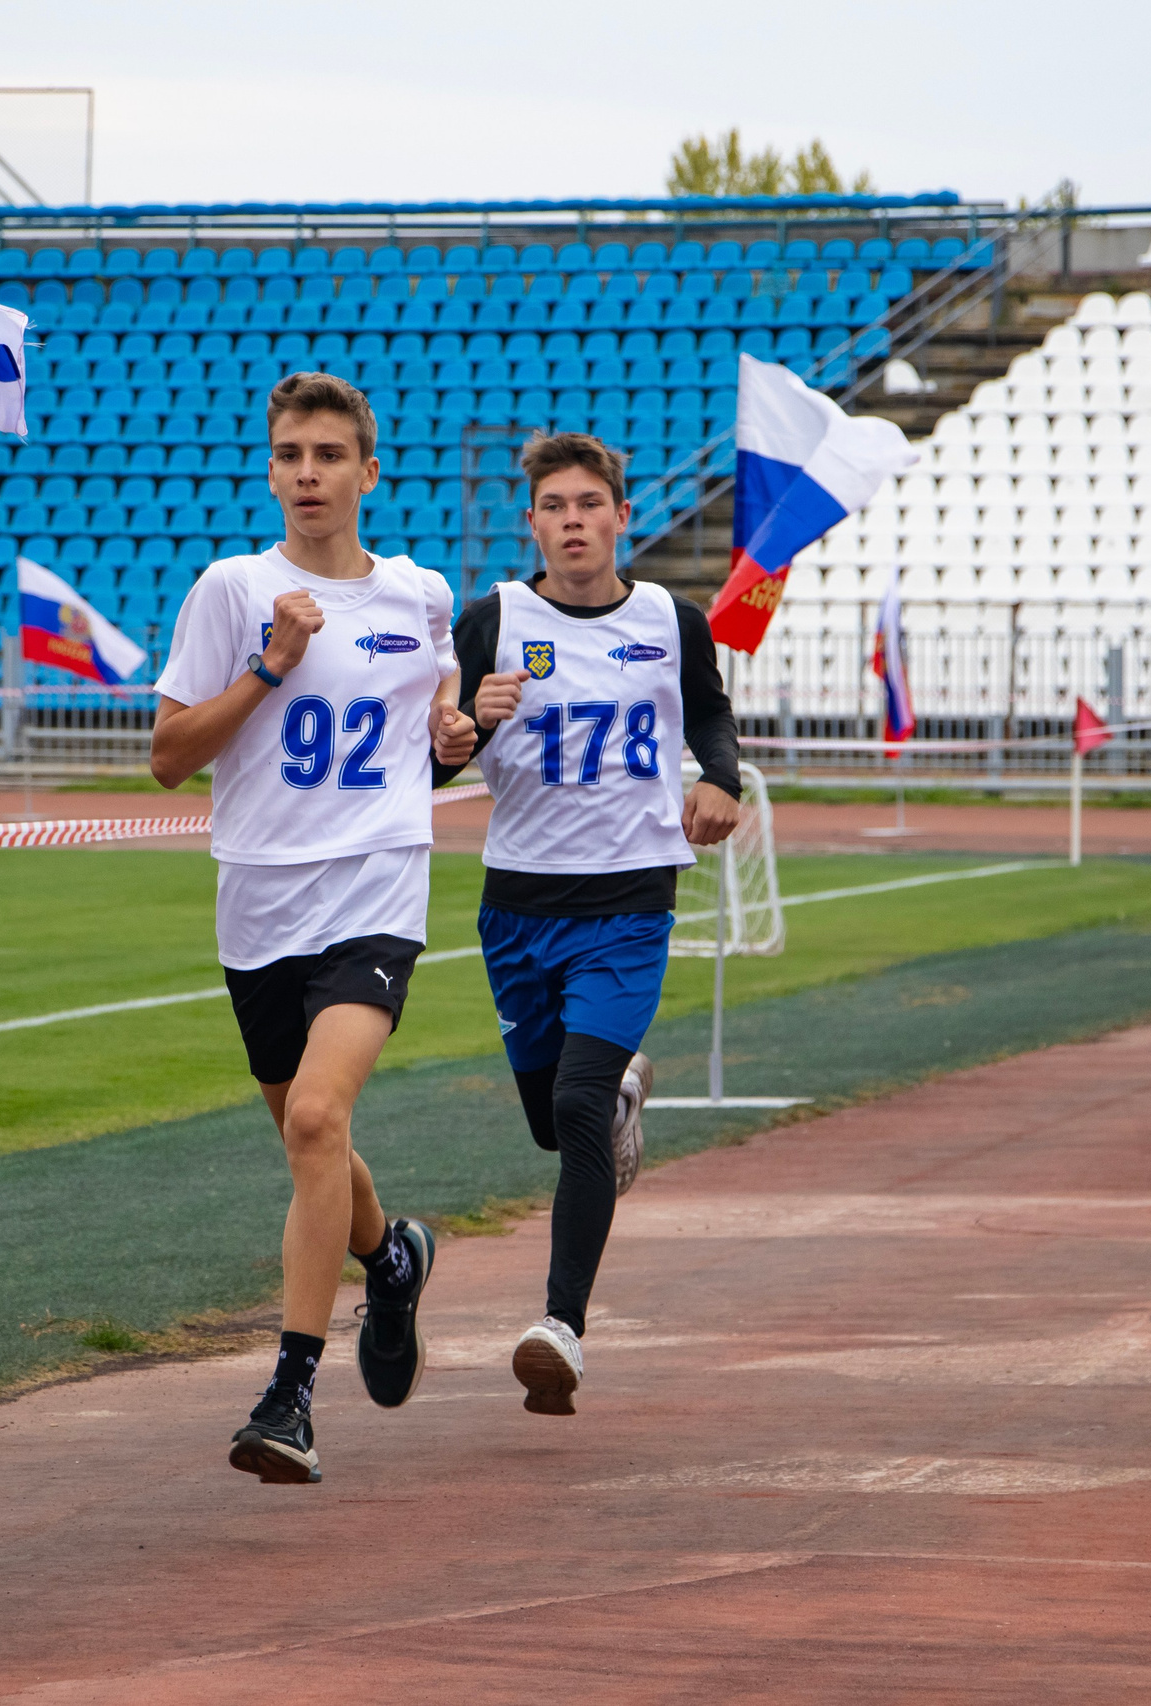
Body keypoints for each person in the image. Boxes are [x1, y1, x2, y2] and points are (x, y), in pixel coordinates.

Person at [151, 372, 479, 1484]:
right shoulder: (233, 589)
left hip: (376, 889)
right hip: (258, 903)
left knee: (316, 1117)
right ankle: (391, 1257)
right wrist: (268, 667)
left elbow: (438, 709)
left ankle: (289, 1393)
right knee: (310, 1138)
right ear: (270, 469)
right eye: (291, 454)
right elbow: (169, 758)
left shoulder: (419, 593)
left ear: (367, 472)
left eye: (329, 455)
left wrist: (451, 732)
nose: (308, 473)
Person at [432, 432, 742, 1416]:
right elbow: (434, 760)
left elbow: (709, 714)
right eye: (555, 507)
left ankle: (560, 1325)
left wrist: (723, 779)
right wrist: (469, 723)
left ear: (620, 516)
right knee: (551, 1124)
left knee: (573, 1103)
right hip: (518, 906)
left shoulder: (670, 620)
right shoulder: (492, 622)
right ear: (532, 523)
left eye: (589, 504)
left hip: (629, 900)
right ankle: (619, 1098)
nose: (573, 521)